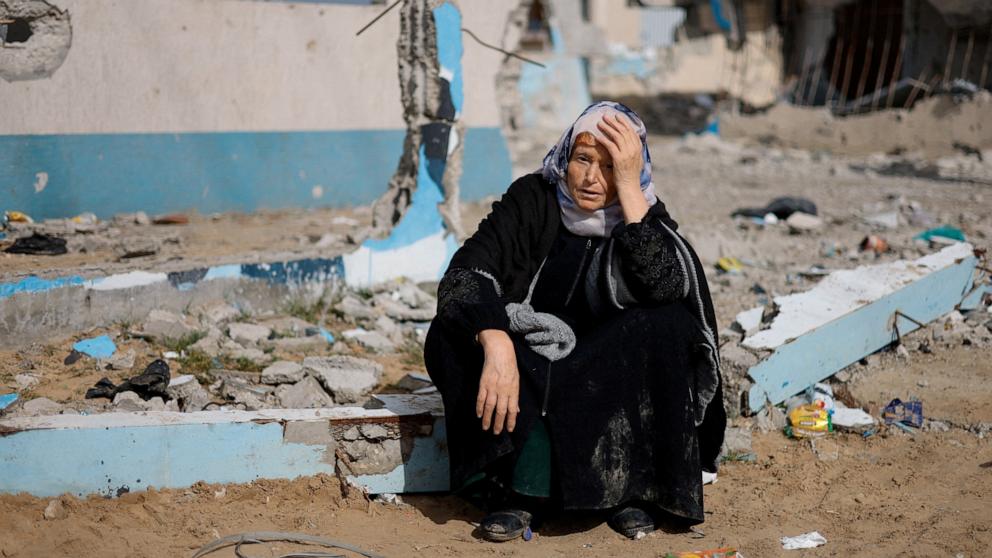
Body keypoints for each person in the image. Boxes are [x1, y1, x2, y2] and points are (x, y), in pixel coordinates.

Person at [424, 101, 726, 541]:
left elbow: (667, 286)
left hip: (600, 374)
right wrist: (497, 341)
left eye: (610, 166)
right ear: (565, 156)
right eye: (583, 159)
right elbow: (464, 274)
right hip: (528, 361)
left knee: (669, 325)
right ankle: (515, 493)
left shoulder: (642, 215)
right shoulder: (532, 200)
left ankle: (628, 492)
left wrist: (629, 191)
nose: (591, 178)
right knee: (450, 333)